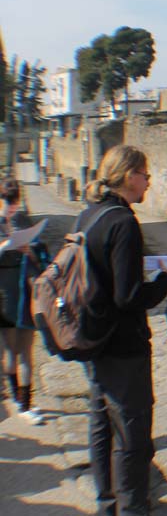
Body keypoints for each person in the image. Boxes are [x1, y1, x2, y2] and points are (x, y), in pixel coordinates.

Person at [80, 145, 167, 516]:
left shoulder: (90, 214)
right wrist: (164, 282)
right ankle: (133, 506)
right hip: (123, 345)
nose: (149, 182)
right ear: (129, 175)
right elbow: (128, 295)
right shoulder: (122, 221)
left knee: (102, 424)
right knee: (132, 435)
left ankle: (107, 502)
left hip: (95, 340)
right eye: (145, 174)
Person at [0, 177, 45, 424]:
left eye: (15, 204)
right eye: (8, 203)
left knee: (27, 350)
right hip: (5, 295)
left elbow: (40, 256)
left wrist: (31, 250)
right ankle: (17, 397)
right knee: (10, 351)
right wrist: (7, 245)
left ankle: (26, 403)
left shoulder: (20, 221)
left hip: (25, 294)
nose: (12, 208)